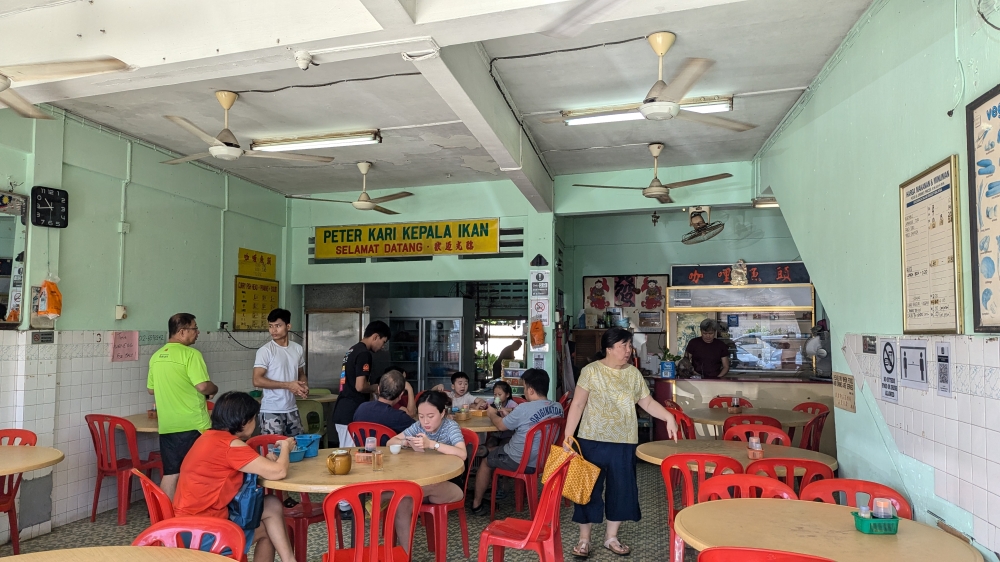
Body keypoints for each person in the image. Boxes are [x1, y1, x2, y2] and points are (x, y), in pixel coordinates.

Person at [563, 327, 679, 558]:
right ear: (609, 348)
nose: (628, 350)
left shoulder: (633, 373)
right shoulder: (590, 371)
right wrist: (568, 437)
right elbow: (577, 404)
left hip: (624, 442)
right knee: (587, 491)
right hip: (591, 440)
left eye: (629, 345)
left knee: (621, 490)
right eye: (623, 346)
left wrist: (669, 416)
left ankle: (611, 538)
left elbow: (646, 402)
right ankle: (584, 540)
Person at [173, 391, 296, 562]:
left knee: (272, 504)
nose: (256, 423)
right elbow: (279, 472)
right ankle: (289, 560)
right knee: (270, 531)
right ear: (244, 421)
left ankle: (289, 560)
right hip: (204, 532)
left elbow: (239, 468)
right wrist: (285, 447)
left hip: (185, 525)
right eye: (254, 418)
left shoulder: (209, 437)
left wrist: (266, 462)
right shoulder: (231, 445)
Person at [469, 369, 563, 515]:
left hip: (519, 459)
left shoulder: (524, 408)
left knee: (486, 461)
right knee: (500, 447)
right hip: (543, 459)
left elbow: (500, 425)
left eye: (524, 388)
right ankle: (488, 451)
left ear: (530, 390)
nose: (524, 391)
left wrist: (492, 414)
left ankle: (476, 504)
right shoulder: (557, 407)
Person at [146, 313, 218, 499]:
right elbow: (202, 386)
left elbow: (151, 390)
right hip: (195, 425)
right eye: (194, 328)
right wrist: (213, 388)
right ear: (182, 331)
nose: (197, 332)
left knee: (171, 473)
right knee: (200, 473)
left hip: (168, 426)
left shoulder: (156, 357)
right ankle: (198, 517)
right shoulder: (191, 355)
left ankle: (165, 521)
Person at [386, 391, 468, 551]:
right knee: (403, 502)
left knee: (425, 486)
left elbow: (462, 453)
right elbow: (391, 442)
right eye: (421, 416)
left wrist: (432, 444)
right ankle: (405, 555)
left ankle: (381, 496)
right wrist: (407, 442)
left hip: (451, 486)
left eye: (430, 416)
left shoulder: (450, 426)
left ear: (442, 412)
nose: (425, 421)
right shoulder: (418, 426)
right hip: (422, 486)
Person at [330, 320, 390, 447]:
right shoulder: (364, 354)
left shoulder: (352, 349)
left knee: (347, 453)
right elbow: (360, 386)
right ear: (375, 337)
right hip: (350, 412)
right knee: (349, 455)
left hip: (343, 408)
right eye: (383, 342)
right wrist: (374, 388)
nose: (382, 346)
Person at [253, 308, 308, 436]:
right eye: (270, 326)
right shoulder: (265, 351)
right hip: (271, 410)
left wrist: (303, 385)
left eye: (278, 326)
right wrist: (288, 385)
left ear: (288, 326)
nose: (273, 330)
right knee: (272, 452)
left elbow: (301, 373)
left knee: (296, 449)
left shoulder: (297, 349)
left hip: (292, 409)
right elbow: (257, 380)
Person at [353, 369, 416, 435]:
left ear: (378, 389)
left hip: (363, 445)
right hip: (388, 445)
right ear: (400, 395)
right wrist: (410, 389)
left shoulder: (361, 409)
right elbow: (420, 430)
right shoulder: (399, 417)